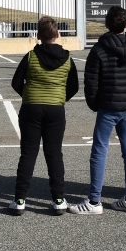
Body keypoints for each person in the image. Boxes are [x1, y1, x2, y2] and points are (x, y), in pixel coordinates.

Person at [68, 6, 126, 215]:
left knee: (99, 150)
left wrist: (95, 104)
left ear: (106, 24)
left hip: (107, 106)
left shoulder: (99, 49)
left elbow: (91, 81)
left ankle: (94, 201)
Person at [8, 16, 79, 216]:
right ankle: (58, 199)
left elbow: (16, 82)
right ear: (58, 35)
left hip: (31, 108)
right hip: (56, 109)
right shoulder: (67, 58)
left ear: (38, 36)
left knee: (28, 153)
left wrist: (30, 96)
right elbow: (74, 86)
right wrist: (59, 98)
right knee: (54, 153)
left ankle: (20, 199)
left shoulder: (30, 56)